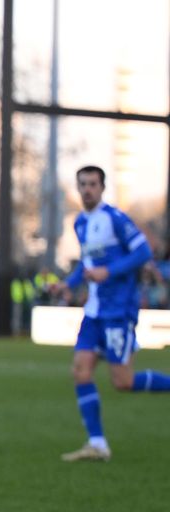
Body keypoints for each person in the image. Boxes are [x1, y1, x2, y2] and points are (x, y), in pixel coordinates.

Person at [58, 165, 170, 462]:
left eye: (93, 184)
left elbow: (143, 253)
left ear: (102, 187)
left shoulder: (115, 219)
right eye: (82, 184)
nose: (87, 189)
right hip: (94, 312)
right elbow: (86, 262)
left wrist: (109, 271)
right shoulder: (80, 223)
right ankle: (97, 444)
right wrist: (68, 285)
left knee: (123, 381)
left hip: (118, 310)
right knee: (80, 370)